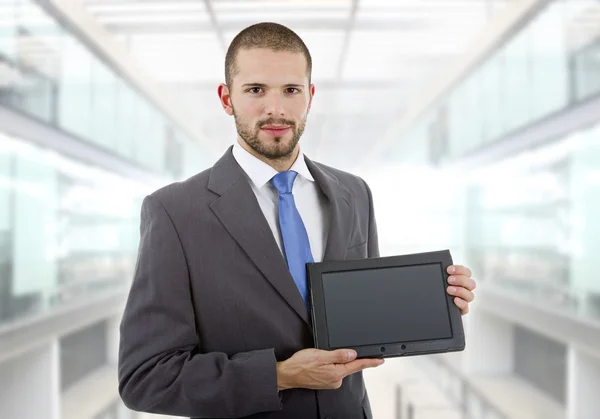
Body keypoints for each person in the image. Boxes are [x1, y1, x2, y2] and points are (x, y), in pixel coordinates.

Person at [118, 22, 477, 419]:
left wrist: (434, 304)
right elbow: (146, 377)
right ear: (226, 99)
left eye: (291, 90)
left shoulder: (353, 193)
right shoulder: (175, 212)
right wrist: (279, 376)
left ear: (310, 96)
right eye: (256, 90)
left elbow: (363, 322)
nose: (276, 109)